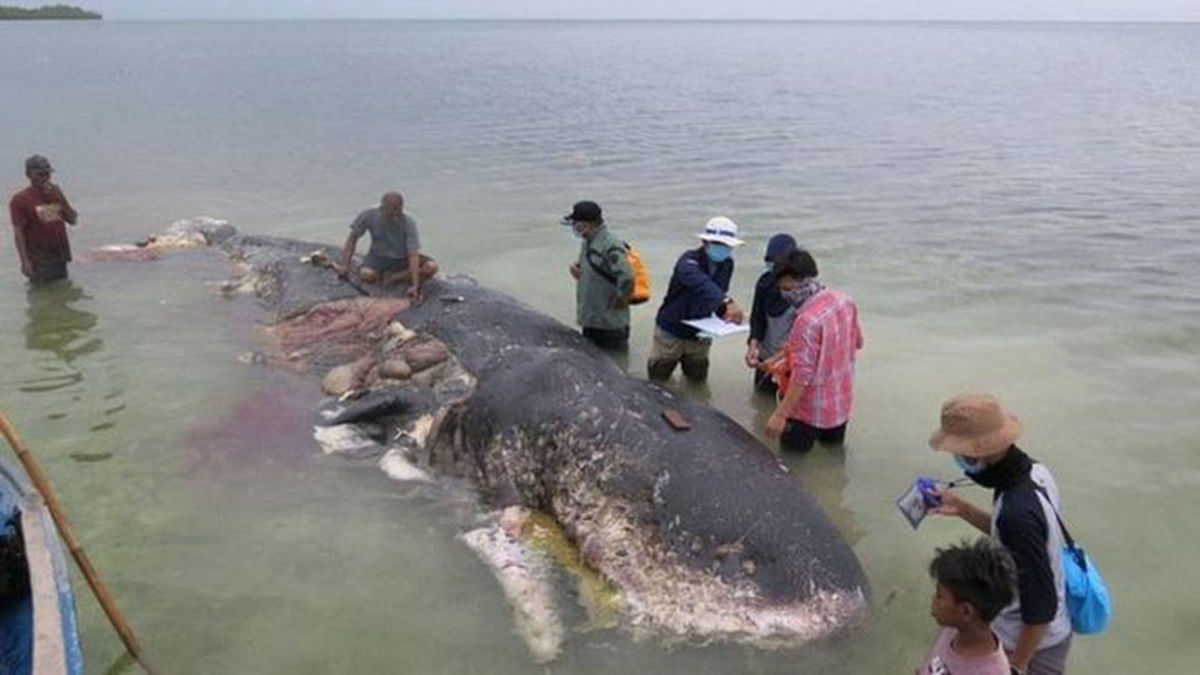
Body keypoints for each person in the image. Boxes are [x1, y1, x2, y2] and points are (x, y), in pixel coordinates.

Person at [928, 394, 1073, 675]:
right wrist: (962, 509)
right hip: (1048, 628)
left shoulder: (1016, 514)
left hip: (1033, 644)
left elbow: (1041, 607)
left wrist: (1016, 667)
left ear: (976, 453)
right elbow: (1014, 538)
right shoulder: (1034, 473)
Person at [764, 249, 863, 452]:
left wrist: (780, 415)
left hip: (807, 411)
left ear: (798, 281)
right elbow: (857, 342)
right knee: (833, 459)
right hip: (839, 403)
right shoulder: (844, 300)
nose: (784, 293)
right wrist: (781, 356)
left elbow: (802, 376)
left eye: (785, 287)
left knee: (792, 463)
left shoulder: (806, 321)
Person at [647, 217, 746, 381]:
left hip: (701, 333)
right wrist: (727, 302)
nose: (724, 249)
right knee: (658, 380)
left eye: (727, 246)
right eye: (719, 244)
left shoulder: (727, 264)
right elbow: (701, 283)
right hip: (671, 330)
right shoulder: (688, 261)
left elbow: (717, 293)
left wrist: (726, 314)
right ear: (705, 242)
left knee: (697, 380)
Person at [918, 538, 1017, 675]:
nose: (933, 598)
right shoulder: (951, 631)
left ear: (966, 611)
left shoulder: (992, 671)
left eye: (940, 595)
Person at [562, 200, 634, 351]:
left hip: (608, 324)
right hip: (592, 319)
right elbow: (598, 269)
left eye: (575, 223)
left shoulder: (610, 245)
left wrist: (621, 299)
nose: (573, 228)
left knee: (613, 366)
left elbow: (627, 276)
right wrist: (580, 273)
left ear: (585, 225)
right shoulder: (589, 242)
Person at [339, 191, 437, 298]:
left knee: (431, 267)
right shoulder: (368, 215)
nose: (395, 217)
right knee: (366, 274)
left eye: (398, 213)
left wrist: (415, 285)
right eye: (391, 214)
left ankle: (394, 278)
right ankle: (382, 275)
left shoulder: (408, 221)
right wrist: (344, 266)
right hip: (378, 256)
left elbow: (413, 253)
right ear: (383, 208)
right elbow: (352, 240)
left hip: (403, 257)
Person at [10, 155, 77, 285]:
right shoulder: (20, 200)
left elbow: (73, 219)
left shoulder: (55, 194)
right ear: (29, 175)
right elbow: (19, 232)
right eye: (40, 174)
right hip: (39, 261)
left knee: (62, 296)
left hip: (60, 257)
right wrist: (24, 261)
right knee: (40, 299)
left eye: (47, 174)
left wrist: (60, 198)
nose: (44, 178)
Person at [745, 233, 798, 393]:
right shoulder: (764, 283)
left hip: (791, 363)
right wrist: (753, 346)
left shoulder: (802, 292)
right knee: (761, 401)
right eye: (770, 262)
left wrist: (779, 358)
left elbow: (801, 339)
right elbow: (757, 319)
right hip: (765, 358)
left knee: (787, 407)